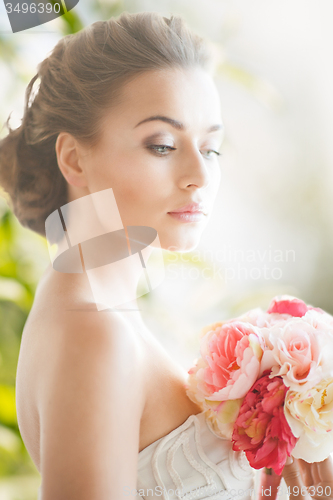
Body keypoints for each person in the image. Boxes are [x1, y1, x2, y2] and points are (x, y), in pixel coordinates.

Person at [0, 10, 332, 500]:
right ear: (73, 158)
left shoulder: (93, 313)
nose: (198, 174)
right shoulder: (95, 331)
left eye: (211, 148)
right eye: (162, 145)